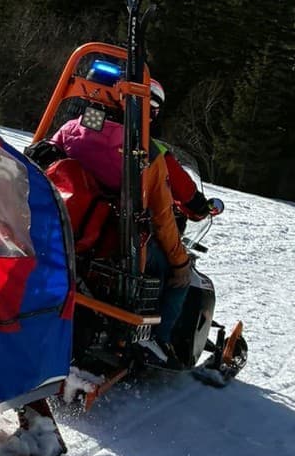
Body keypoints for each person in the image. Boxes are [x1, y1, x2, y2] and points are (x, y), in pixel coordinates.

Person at [49, 81, 191, 367]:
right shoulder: (146, 154)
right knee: (170, 272)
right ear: (147, 111)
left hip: (56, 224)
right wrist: (180, 262)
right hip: (111, 244)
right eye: (152, 110)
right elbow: (163, 217)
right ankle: (157, 340)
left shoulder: (76, 128)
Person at [148, 79, 225, 225]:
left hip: (96, 211)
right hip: (124, 225)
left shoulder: (91, 130)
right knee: (170, 245)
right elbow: (184, 190)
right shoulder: (149, 147)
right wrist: (199, 205)